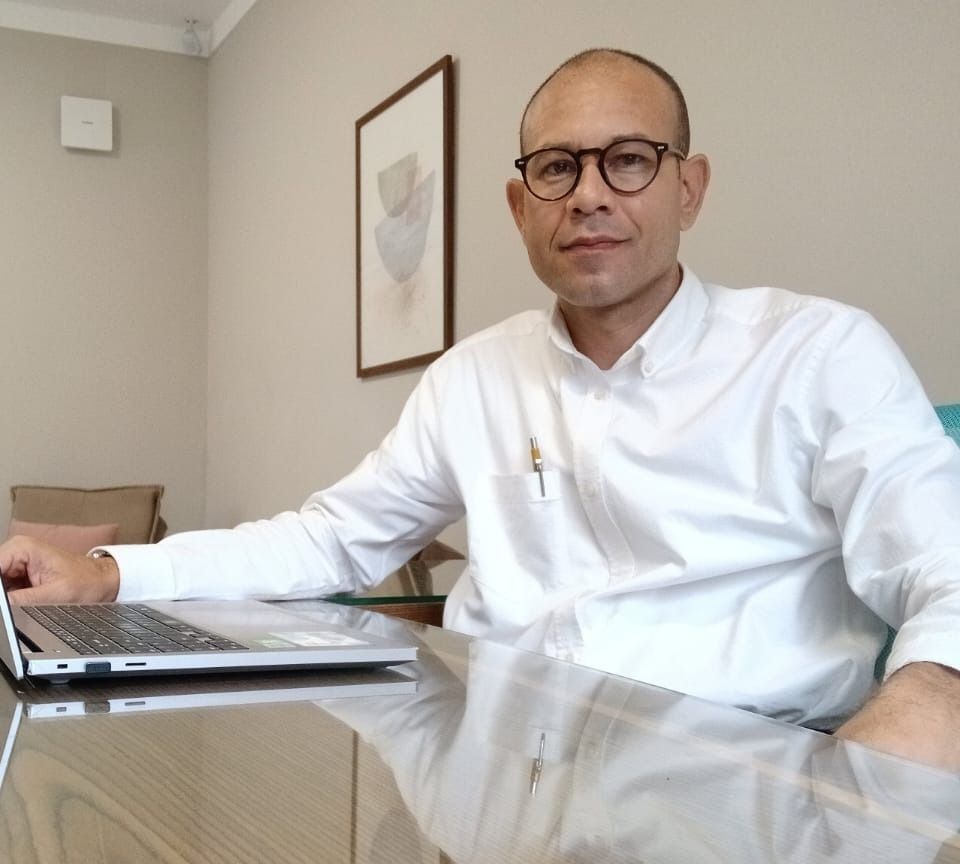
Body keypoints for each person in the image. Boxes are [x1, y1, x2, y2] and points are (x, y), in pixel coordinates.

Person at [3, 49, 959, 769]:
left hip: (751, 769)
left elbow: (946, 571)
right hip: (503, 758)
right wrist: (105, 575)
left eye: (630, 160)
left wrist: (910, 729)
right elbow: (333, 541)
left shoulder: (818, 352)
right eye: (557, 169)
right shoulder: (472, 376)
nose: (589, 195)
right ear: (519, 204)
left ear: (689, 189)